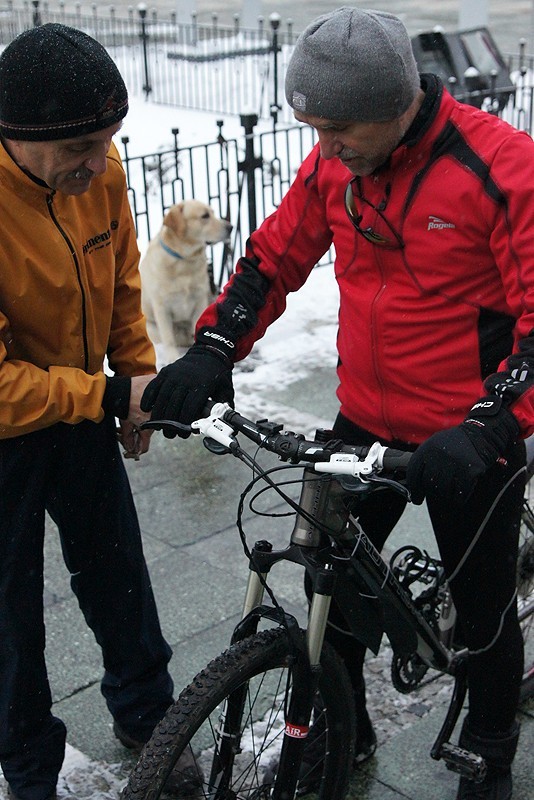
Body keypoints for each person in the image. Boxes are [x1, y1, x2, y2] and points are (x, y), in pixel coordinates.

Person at [141, 7, 533, 800]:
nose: (324, 148)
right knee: (336, 590)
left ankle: (490, 743)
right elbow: (273, 256)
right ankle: (341, 728)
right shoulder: (338, 168)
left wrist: (494, 424)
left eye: (340, 128)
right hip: (365, 417)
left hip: (470, 431)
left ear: (400, 105)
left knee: (482, 609)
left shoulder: (501, 167)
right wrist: (214, 349)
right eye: (312, 127)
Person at [0, 24, 201, 800]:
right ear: (17, 136)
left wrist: (137, 378)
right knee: (10, 614)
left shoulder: (101, 174)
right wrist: (113, 393)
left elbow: (117, 280)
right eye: (81, 145)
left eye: (109, 140)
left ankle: (149, 717)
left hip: (81, 404)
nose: (99, 161)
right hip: (11, 431)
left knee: (118, 570)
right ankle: (28, 769)